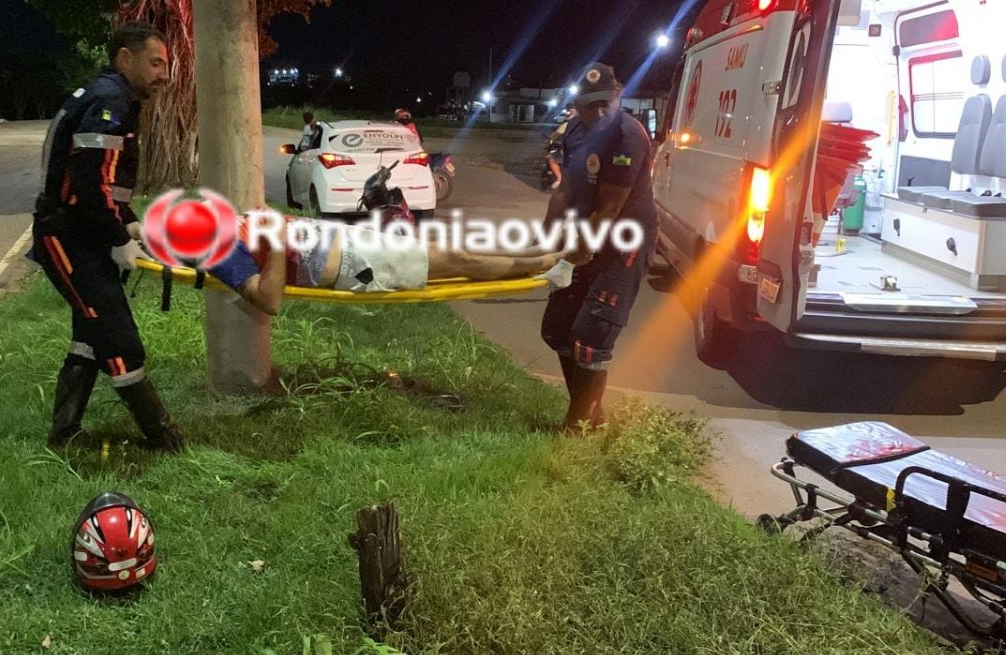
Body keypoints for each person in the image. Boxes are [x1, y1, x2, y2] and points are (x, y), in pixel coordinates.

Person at [30, 22, 184, 452]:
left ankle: (63, 435)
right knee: (118, 337)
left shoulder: (111, 97)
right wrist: (118, 236)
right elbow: (87, 184)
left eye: (166, 65)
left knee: (89, 332)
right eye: (156, 63)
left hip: (83, 231)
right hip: (67, 235)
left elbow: (106, 184)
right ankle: (163, 438)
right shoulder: (109, 102)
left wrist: (128, 221)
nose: (164, 74)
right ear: (124, 58)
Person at [539, 63, 659, 433]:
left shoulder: (628, 137)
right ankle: (592, 414)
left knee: (591, 337)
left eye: (606, 102)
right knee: (557, 329)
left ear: (619, 94)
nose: (600, 111)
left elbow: (609, 208)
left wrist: (570, 260)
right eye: (590, 104)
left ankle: (576, 430)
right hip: (587, 234)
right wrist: (544, 242)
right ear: (576, 102)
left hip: (624, 243)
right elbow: (567, 190)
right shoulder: (575, 129)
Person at [172, 214, 566, 316]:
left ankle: (539, 257)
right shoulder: (217, 250)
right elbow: (269, 301)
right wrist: (276, 240)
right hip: (353, 262)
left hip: (348, 245)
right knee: (456, 259)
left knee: (450, 253)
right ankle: (548, 265)